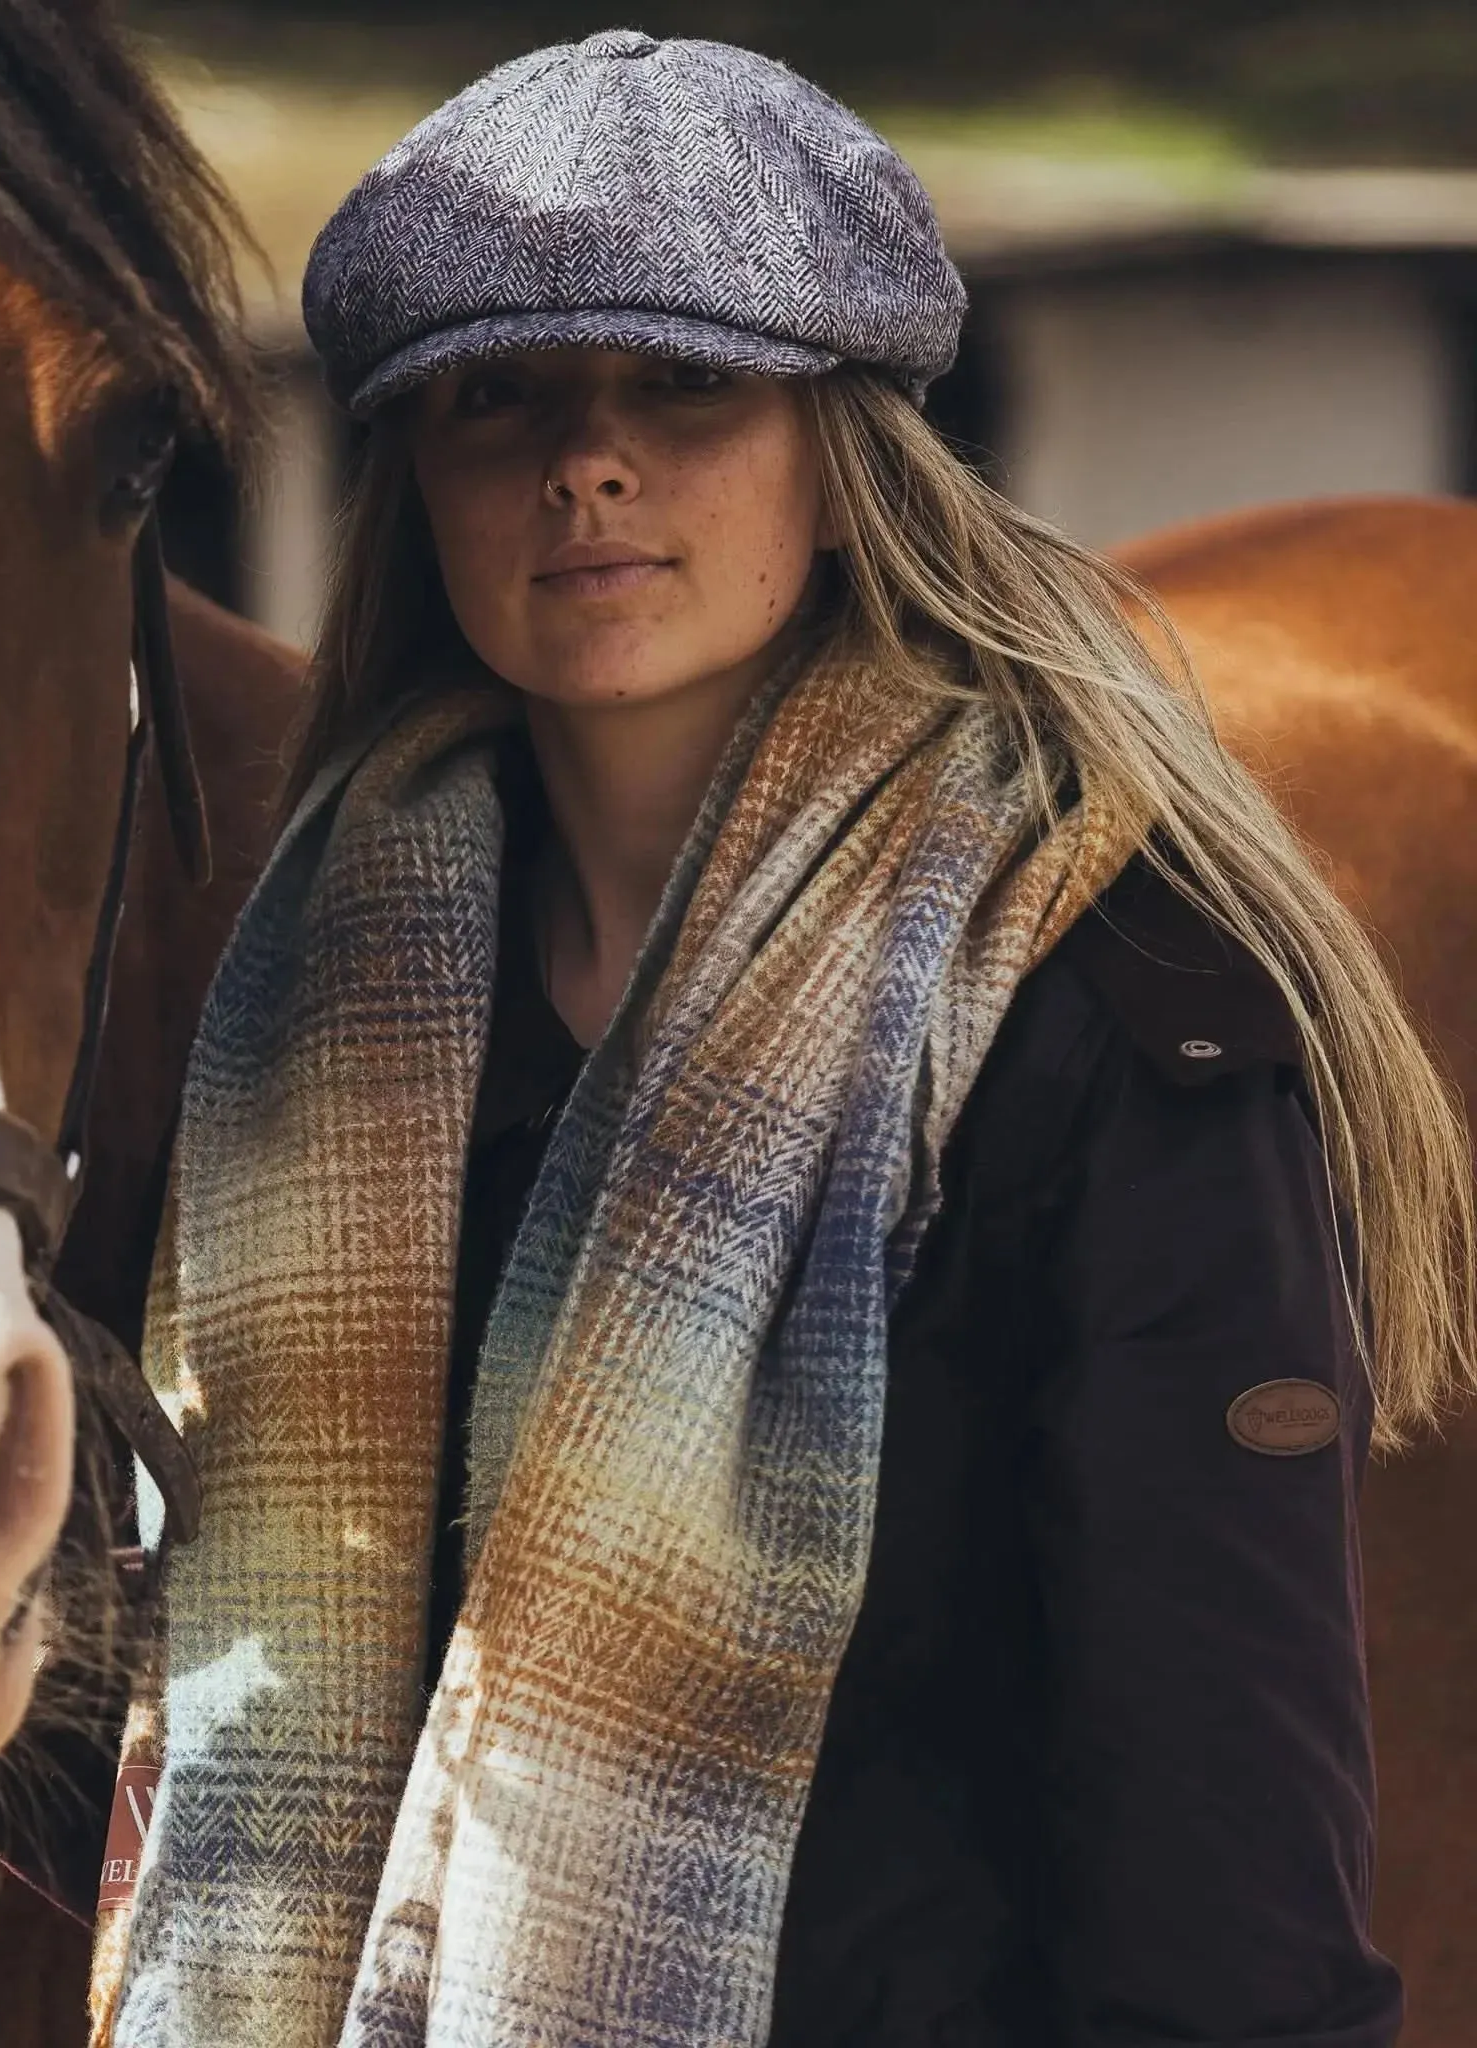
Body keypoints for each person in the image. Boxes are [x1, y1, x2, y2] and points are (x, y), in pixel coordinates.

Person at [94, 31, 1473, 2048]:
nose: (586, 461)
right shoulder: (301, 1023)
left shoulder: (1103, 1017)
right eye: (499, 400)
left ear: (840, 458)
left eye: (682, 382)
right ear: (419, 482)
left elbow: (1224, 1877)